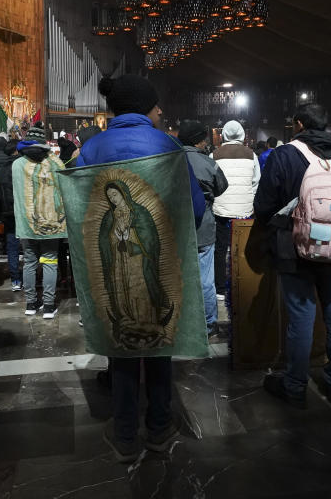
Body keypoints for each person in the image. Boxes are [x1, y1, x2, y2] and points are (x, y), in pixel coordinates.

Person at [76, 74, 205, 462]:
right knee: (160, 348)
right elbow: (194, 207)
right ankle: (160, 430)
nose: (161, 110)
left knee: (122, 352)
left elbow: (79, 209)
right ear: (145, 107)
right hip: (152, 264)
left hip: (118, 265)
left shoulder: (91, 147)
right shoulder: (166, 144)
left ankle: (126, 435)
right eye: (156, 104)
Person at [254, 104, 331, 408]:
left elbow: (263, 206)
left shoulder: (284, 155)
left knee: (301, 318)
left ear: (298, 124)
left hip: (294, 248)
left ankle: (295, 385)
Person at [178, 120, 229, 337]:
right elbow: (222, 187)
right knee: (205, 279)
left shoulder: (170, 160)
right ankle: (208, 324)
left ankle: (180, 322)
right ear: (200, 140)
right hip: (204, 227)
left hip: (176, 227)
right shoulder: (208, 163)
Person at [12, 123, 68, 318]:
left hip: (27, 222)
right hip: (52, 222)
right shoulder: (56, 163)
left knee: (29, 262)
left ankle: (30, 303)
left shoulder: (17, 165)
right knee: (50, 261)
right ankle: (49, 306)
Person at [211, 120, 259, 301]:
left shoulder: (214, 154)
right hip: (245, 209)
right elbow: (256, 181)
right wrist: (248, 197)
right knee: (242, 248)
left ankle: (220, 289)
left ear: (223, 134)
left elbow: (212, 181)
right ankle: (243, 283)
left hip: (221, 209)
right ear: (241, 134)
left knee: (220, 249)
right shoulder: (251, 155)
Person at [0, 137, 21, 290]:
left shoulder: (2, 169)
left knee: (12, 245)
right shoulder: (22, 166)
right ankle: (30, 278)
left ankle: (15, 279)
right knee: (29, 247)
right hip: (22, 210)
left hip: (7, 212)